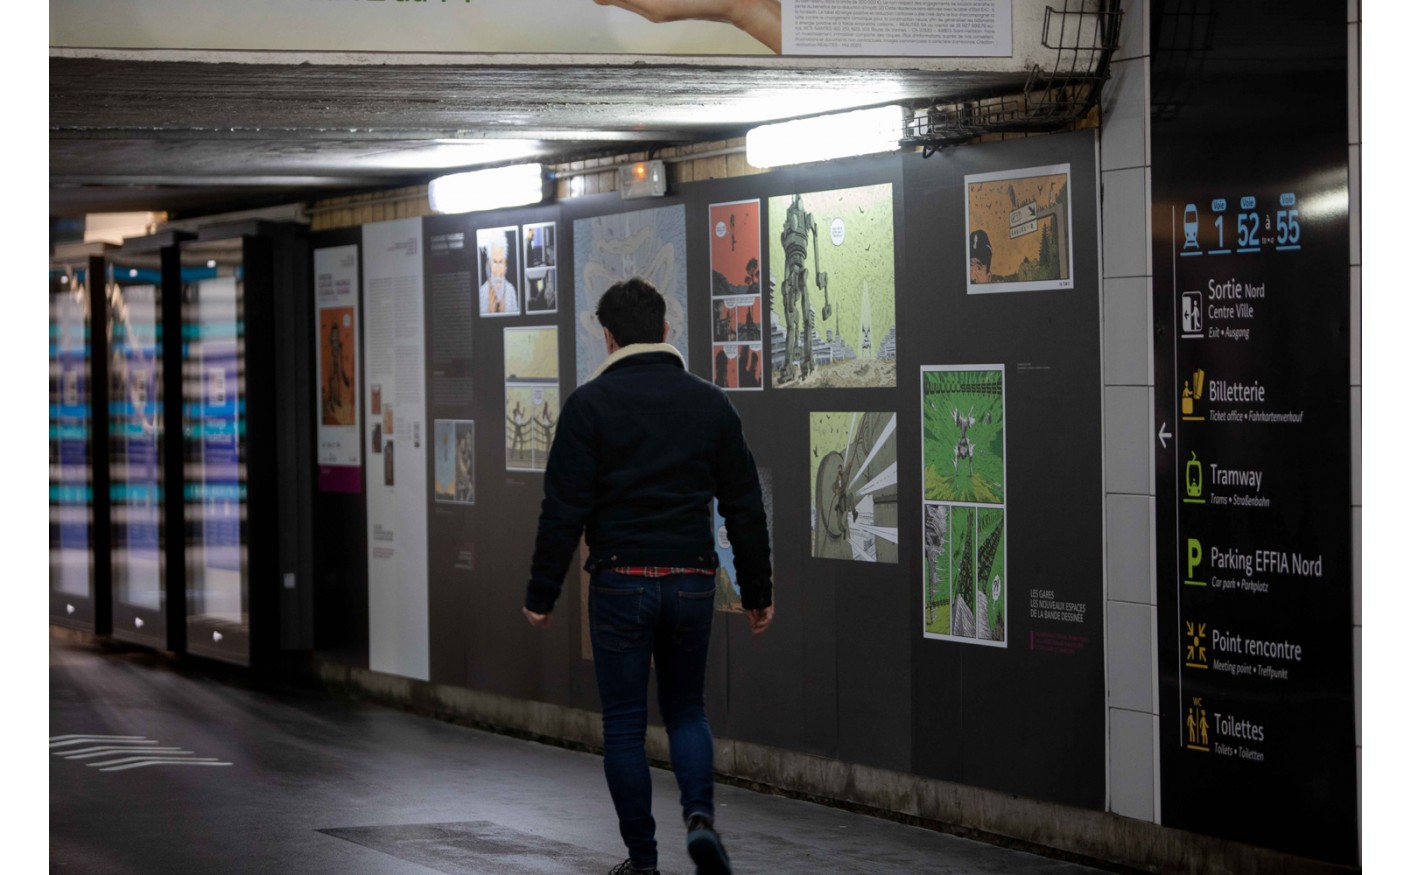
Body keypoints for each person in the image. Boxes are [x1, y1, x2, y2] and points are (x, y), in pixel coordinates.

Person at [523, 277, 774, 875]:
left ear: (607, 338)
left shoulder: (588, 406)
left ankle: (642, 861)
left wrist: (542, 592)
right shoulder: (711, 403)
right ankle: (700, 820)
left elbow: (563, 509)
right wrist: (757, 591)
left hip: (620, 583)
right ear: (667, 331)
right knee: (687, 711)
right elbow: (744, 503)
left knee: (626, 727)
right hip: (691, 581)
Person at [480, 231, 520, 315]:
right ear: (490, 264)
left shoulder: (511, 290)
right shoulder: (482, 292)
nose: (498, 271)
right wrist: (490, 313)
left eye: (501, 262)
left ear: (505, 264)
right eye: (495, 262)